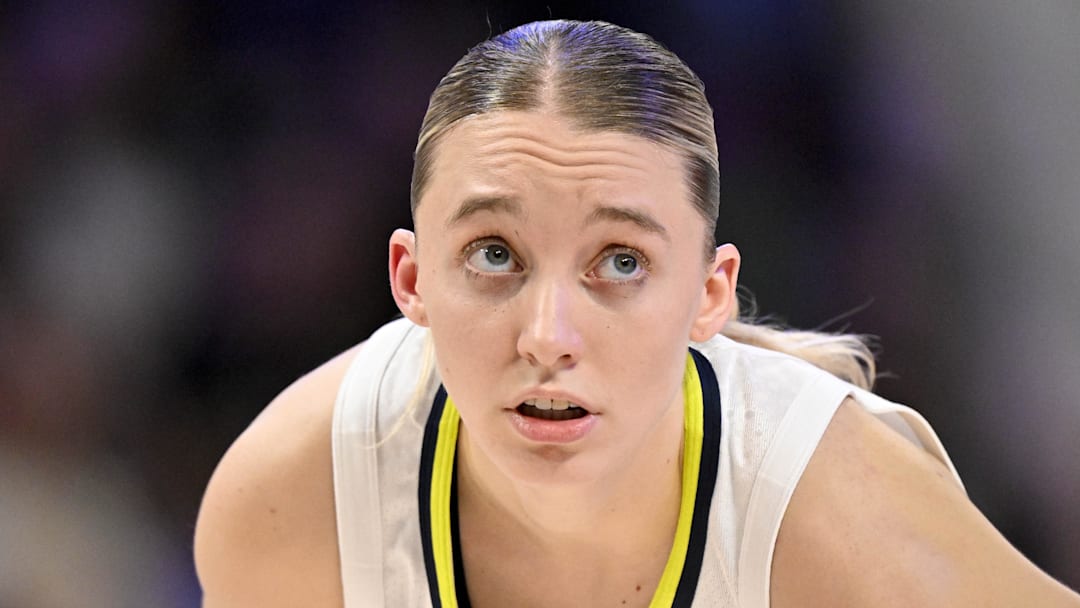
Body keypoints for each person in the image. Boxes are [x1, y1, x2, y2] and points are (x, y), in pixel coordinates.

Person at [193, 19, 1080, 607]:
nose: (547, 337)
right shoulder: (292, 503)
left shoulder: (836, 509)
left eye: (619, 263)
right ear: (412, 278)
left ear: (709, 295)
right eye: (494, 255)